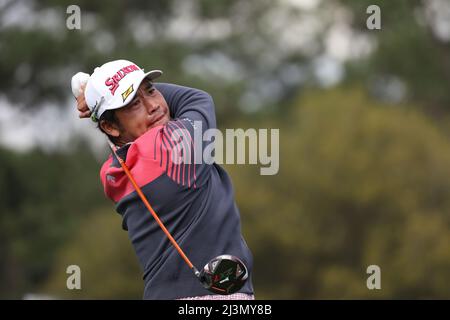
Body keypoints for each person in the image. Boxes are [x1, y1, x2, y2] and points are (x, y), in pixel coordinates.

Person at [72, 59, 254, 300]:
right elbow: (197, 98)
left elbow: (127, 130)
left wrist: (100, 98)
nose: (154, 105)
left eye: (151, 90)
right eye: (134, 103)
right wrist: (96, 92)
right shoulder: (173, 146)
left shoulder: (113, 171)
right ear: (110, 126)